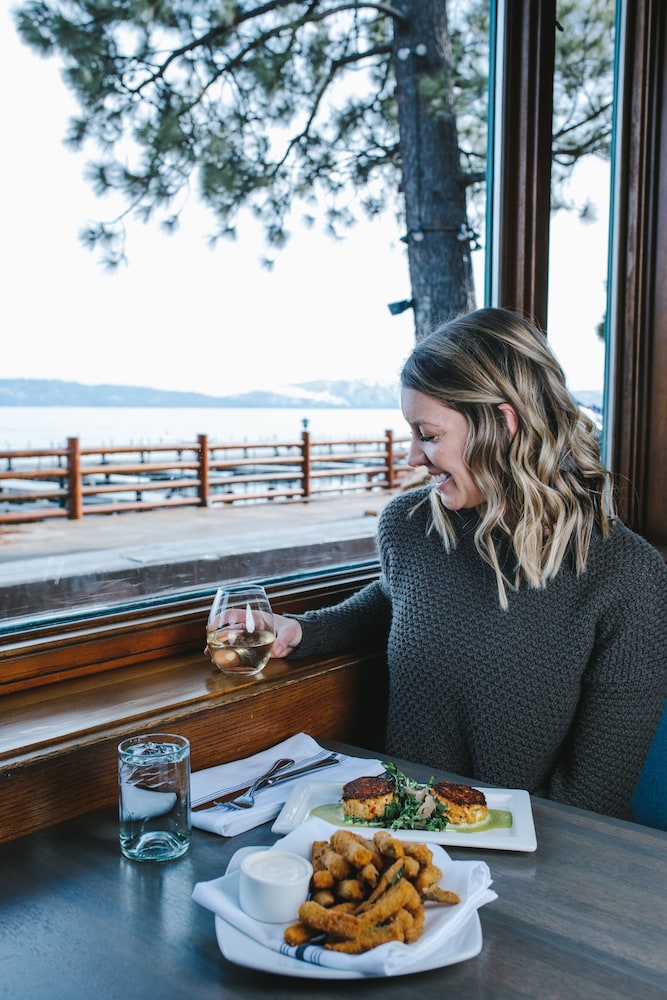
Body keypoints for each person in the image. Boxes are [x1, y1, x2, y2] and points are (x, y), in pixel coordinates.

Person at [271, 307, 667, 821]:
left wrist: (488, 846)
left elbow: (596, 793)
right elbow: (397, 597)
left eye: (429, 435)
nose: (413, 457)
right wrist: (301, 631)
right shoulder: (409, 526)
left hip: (543, 845)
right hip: (406, 834)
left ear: (502, 425)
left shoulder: (628, 575)